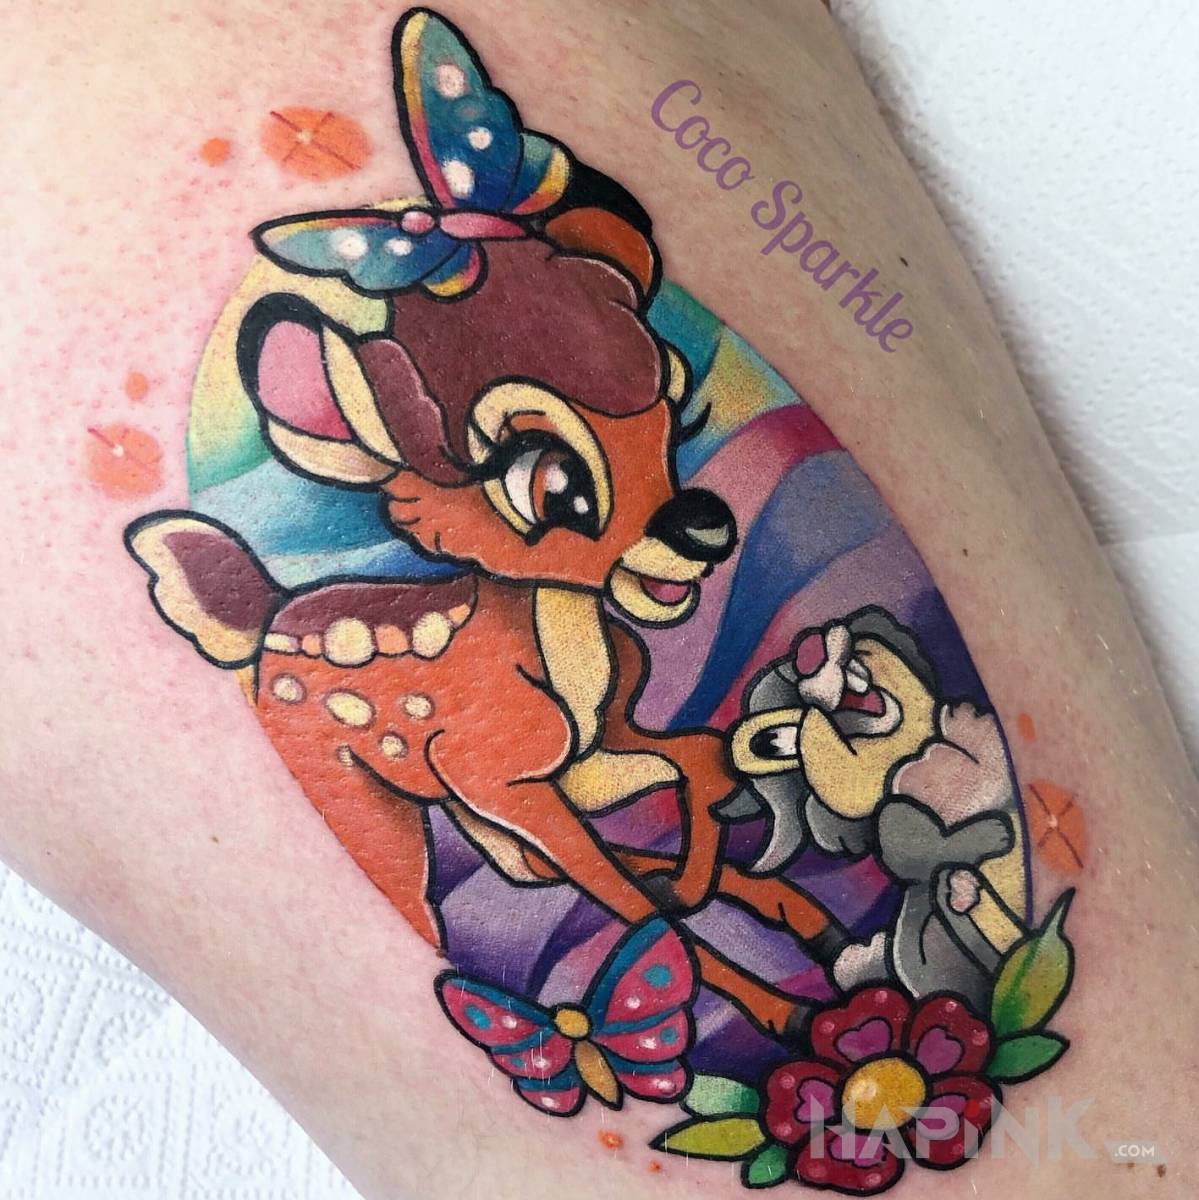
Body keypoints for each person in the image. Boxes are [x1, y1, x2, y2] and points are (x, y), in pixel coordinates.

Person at [1, 2, 1195, 1197]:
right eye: (555, 486)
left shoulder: (596, 650)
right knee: (497, 856)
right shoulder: (116, 132)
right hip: (409, 736)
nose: (675, 510)